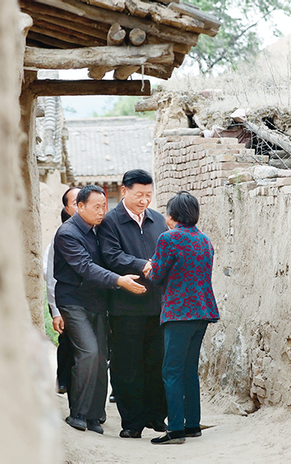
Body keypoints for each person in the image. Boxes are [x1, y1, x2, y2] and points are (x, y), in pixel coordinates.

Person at [53, 185, 146, 434]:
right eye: (96, 207)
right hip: (73, 301)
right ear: (79, 206)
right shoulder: (68, 233)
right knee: (89, 352)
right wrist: (119, 281)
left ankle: (95, 416)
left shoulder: (98, 230)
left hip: (97, 300)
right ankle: (78, 413)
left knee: (102, 356)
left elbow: (111, 257)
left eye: (104, 206)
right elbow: (85, 267)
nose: (102, 211)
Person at [97, 169, 169, 438]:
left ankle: (155, 415)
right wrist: (143, 265)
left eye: (148, 195)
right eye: (139, 194)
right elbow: (111, 256)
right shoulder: (110, 222)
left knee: (156, 362)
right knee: (127, 366)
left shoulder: (158, 220)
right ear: (124, 191)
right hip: (125, 308)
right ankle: (132, 422)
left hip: (158, 305)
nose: (144, 200)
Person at [145, 191, 220, 445]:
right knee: (189, 370)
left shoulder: (169, 238)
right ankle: (192, 424)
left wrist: (149, 267)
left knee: (172, 371)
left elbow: (156, 276)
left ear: (173, 215)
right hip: (203, 311)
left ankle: (176, 429)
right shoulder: (205, 240)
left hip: (178, 313)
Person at [44, 187, 80, 395]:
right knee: (67, 340)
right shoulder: (62, 237)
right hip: (64, 299)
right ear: (67, 208)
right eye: (76, 201)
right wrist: (55, 310)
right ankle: (64, 378)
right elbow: (50, 275)